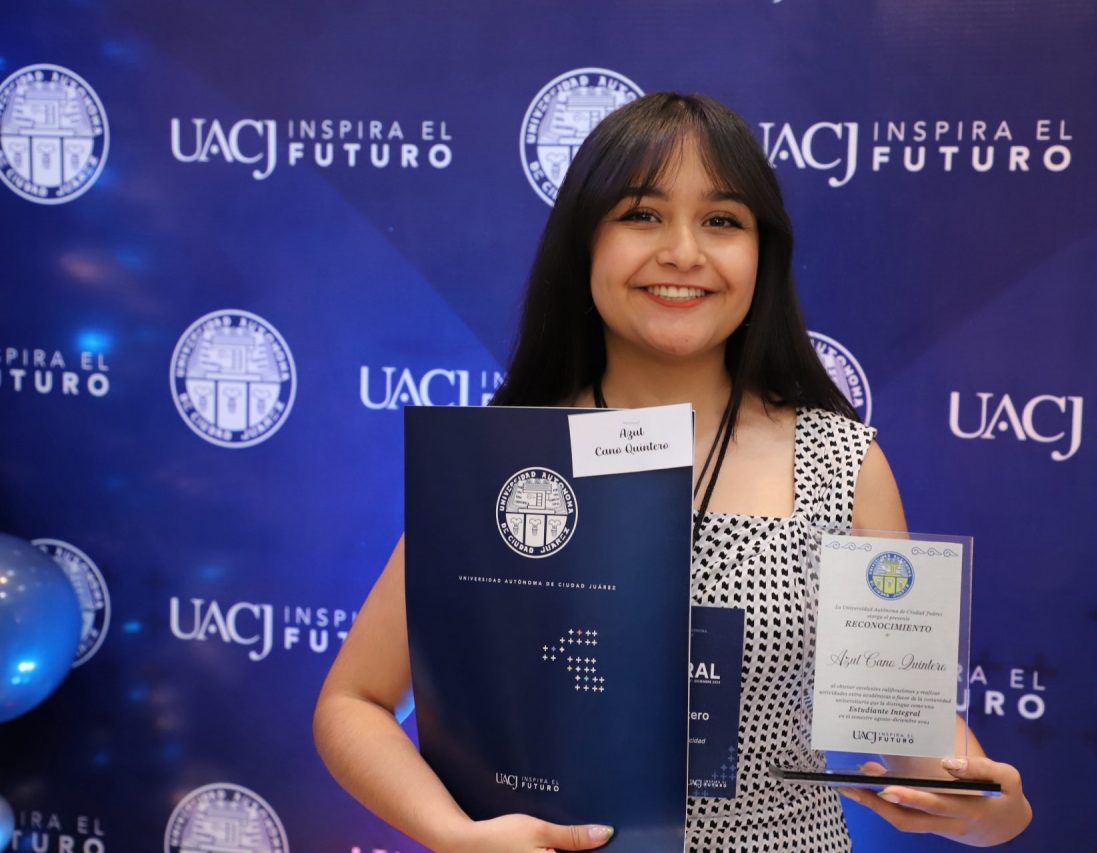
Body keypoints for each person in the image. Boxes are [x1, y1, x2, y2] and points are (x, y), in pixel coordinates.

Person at [313, 92, 1032, 851]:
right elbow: (353, 702)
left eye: (722, 220)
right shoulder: (504, 459)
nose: (684, 252)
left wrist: (986, 803)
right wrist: (454, 833)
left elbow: (910, 726)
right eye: (642, 214)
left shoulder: (841, 462)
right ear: (584, 243)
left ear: (763, 254)